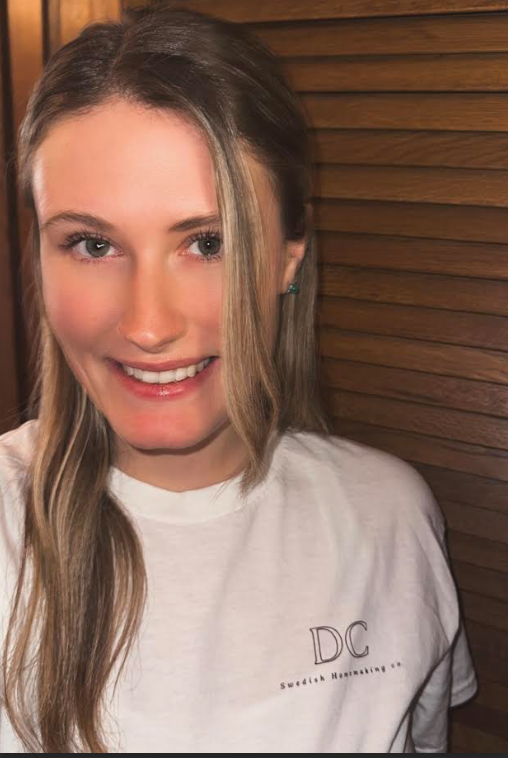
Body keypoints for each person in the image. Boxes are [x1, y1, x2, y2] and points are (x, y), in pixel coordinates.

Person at [0, 5, 476, 753]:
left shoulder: (391, 518)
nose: (148, 325)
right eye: (92, 244)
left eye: (208, 242)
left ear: (289, 257)